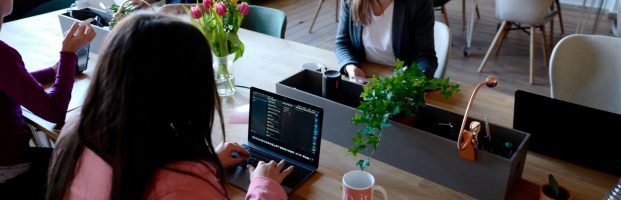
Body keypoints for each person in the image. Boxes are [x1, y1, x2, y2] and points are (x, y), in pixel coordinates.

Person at [46, 14, 293, 200]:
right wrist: (263, 187)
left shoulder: (75, 133)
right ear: (188, 92)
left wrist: (209, 163)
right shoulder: (181, 183)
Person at [0, 0, 96, 198]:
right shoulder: (3, 55)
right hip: (11, 170)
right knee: (86, 162)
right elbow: (55, 112)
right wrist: (68, 53)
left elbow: (10, 80)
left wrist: (54, 71)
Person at [335, 0, 438, 79]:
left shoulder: (418, 3)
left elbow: (425, 57)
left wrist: (412, 82)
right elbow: (342, 43)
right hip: (364, 76)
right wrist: (350, 66)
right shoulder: (351, 1)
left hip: (402, 82)